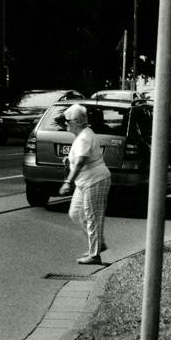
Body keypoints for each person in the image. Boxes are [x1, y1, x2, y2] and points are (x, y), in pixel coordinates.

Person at [58, 104, 111, 265]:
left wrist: (67, 182)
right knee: (76, 213)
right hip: (85, 182)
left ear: (77, 121)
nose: (65, 124)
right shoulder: (81, 136)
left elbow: (81, 162)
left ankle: (95, 255)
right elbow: (78, 158)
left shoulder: (84, 137)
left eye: (67, 121)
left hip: (94, 181)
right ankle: (98, 243)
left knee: (92, 216)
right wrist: (69, 160)